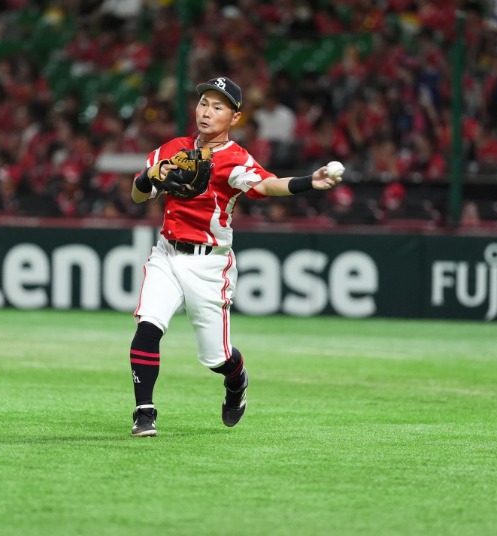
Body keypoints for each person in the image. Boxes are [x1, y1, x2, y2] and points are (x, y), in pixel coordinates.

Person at [127, 77, 342, 437]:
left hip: (209, 264)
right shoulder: (173, 148)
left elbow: (266, 184)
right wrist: (150, 175)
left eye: (218, 107)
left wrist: (309, 181)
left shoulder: (235, 159)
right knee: (148, 327)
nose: (207, 112)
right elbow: (137, 195)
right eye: (203, 103)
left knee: (217, 357)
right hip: (166, 252)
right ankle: (144, 412)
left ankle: (237, 379)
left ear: (235, 117)